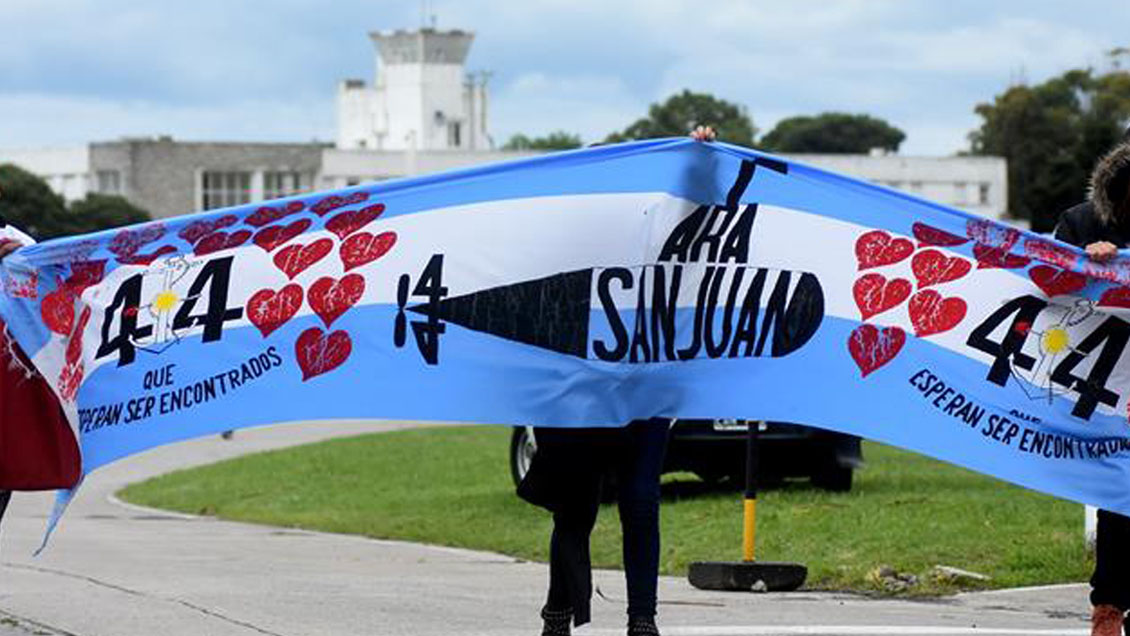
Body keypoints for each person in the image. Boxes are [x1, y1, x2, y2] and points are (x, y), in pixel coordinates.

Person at [519, 127, 716, 636]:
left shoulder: (653, 227)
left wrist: (700, 158)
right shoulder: (554, 242)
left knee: (640, 501)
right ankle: (558, 613)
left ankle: (642, 618)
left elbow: (698, 213)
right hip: (575, 398)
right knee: (574, 509)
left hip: (642, 393)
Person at [1054, 133, 1130, 636]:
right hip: (1102, 382)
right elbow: (1040, 284)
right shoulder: (1081, 222)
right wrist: (1082, 262)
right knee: (1118, 491)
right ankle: (1108, 607)